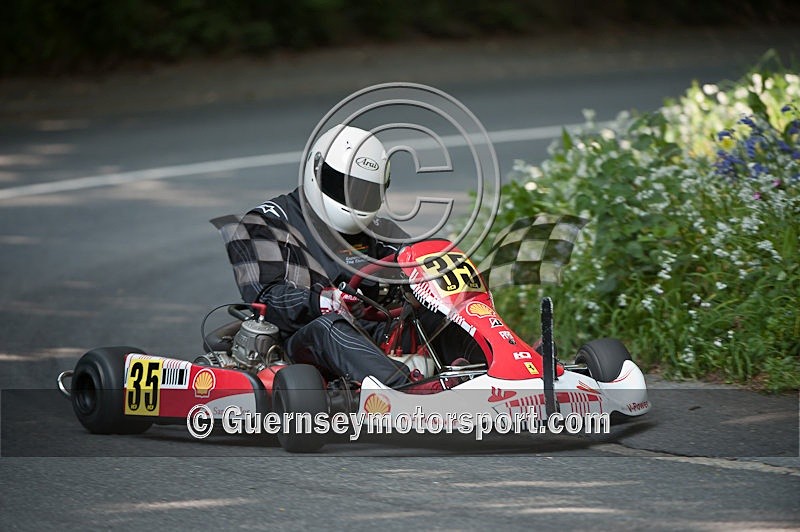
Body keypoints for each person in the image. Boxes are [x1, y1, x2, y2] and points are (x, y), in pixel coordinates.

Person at [216, 124, 482, 388]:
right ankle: (408, 391)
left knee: (439, 320)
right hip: (302, 345)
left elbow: (416, 261)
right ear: (317, 171)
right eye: (345, 187)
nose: (355, 200)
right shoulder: (264, 223)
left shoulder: (378, 230)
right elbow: (266, 296)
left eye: (365, 192)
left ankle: (491, 374)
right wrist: (321, 301)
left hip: (375, 335)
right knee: (331, 324)